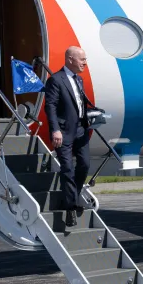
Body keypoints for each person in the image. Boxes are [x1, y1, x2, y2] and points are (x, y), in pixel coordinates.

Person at [44, 46, 94, 227]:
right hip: (63, 131)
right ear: (70, 59)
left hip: (81, 129)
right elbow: (49, 106)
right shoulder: (55, 80)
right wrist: (55, 129)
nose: (85, 63)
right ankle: (71, 207)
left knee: (85, 164)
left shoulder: (79, 80)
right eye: (82, 59)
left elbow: (79, 104)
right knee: (67, 168)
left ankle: (71, 198)